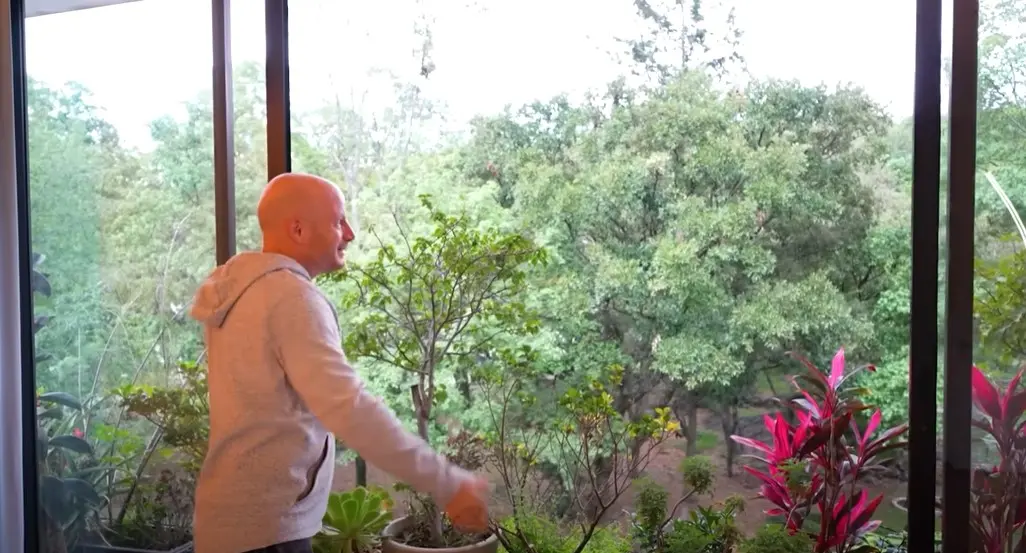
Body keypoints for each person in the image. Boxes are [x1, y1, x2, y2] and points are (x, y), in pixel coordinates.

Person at [188, 172, 489, 553]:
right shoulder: (291, 298)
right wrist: (447, 482)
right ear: (298, 229)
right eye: (338, 221)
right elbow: (349, 408)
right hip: (266, 534)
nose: (350, 233)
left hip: (231, 522)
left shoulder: (243, 290)